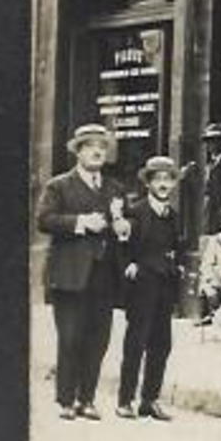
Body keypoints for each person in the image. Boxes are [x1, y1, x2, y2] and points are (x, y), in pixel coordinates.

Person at [36, 123, 131, 420]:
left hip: (104, 274)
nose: (97, 151)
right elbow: (44, 220)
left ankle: (86, 398)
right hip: (70, 274)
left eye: (102, 147)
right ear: (78, 152)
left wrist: (125, 227)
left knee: (98, 338)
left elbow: (125, 223)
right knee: (71, 336)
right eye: (90, 146)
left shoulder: (115, 189)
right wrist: (80, 222)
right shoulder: (59, 185)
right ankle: (66, 400)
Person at [116, 156, 184, 421]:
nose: (164, 184)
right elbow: (121, 245)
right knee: (136, 342)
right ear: (149, 183)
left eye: (168, 179)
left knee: (162, 344)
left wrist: (177, 266)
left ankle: (150, 400)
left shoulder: (173, 215)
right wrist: (129, 264)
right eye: (158, 179)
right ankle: (125, 400)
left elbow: (175, 246)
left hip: (165, 284)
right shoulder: (136, 211)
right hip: (142, 283)